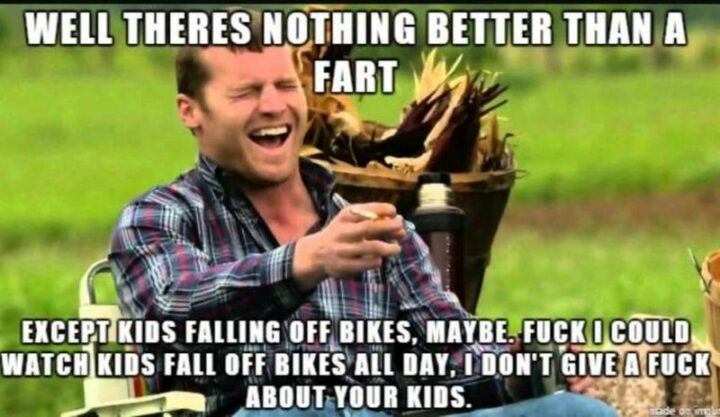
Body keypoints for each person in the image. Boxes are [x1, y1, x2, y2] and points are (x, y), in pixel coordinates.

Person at [108, 17, 618, 417]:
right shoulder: (160, 217)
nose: (274, 106)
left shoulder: (372, 230)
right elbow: (170, 313)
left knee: (578, 413)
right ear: (191, 111)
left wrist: (524, 365)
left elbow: (451, 351)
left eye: (285, 85)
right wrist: (303, 263)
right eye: (245, 92)